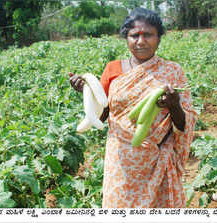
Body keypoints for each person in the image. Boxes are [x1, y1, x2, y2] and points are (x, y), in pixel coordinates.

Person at [69, 7, 197, 208]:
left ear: (159, 38)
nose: (141, 41)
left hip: (158, 160)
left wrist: (174, 106)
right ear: (126, 38)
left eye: (148, 35)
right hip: (121, 162)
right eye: (134, 35)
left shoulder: (173, 71)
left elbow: (185, 123)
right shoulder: (112, 69)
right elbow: (102, 116)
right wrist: (85, 93)